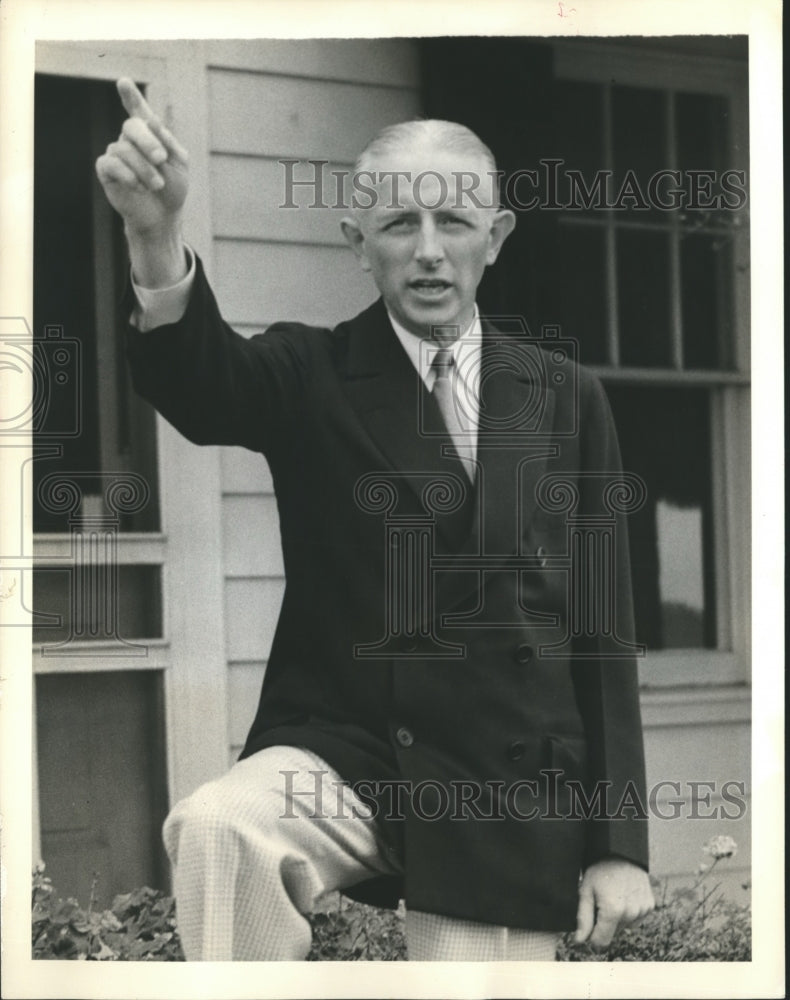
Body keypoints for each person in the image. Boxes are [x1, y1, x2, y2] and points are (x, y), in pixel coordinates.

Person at [96, 77, 654, 962]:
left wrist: (618, 843)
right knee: (220, 826)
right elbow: (206, 386)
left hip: (501, 787)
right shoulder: (311, 371)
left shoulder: (564, 395)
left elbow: (603, 633)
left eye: (454, 223)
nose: (429, 252)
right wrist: (154, 232)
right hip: (350, 757)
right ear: (358, 241)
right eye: (400, 225)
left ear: (496, 237)